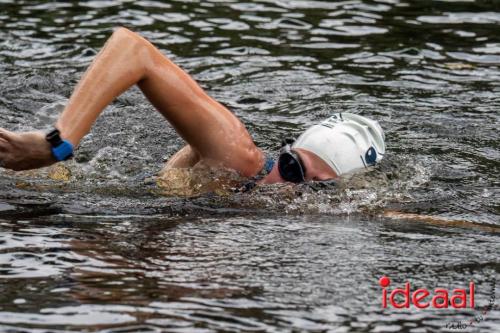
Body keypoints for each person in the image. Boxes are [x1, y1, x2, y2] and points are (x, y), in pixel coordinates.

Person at [0, 27, 385, 188]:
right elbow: (131, 49)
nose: (282, 184)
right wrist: (58, 143)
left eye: (307, 185)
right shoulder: (240, 157)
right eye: (290, 165)